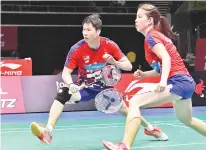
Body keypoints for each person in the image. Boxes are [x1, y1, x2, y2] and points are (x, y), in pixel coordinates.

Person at [102, 3, 206, 150]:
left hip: (178, 81)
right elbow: (161, 68)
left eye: (139, 16)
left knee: (135, 102)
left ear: (150, 21)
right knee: (187, 120)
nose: (136, 20)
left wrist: (162, 82)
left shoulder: (151, 37)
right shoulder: (157, 36)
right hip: (186, 82)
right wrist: (144, 74)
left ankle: (125, 146)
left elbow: (166, 58)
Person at [30, 14, 168, 144]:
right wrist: (71, 84)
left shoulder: (109, 45)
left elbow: (128, 66)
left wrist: (115, 62)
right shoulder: (77, 49)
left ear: (98, 31)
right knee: (63, 93)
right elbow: (66, 72)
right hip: (85, 88)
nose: (85, 33)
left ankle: (151, 129)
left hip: (106, 90)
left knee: (127, 110)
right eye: (84, 29)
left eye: (89, 30)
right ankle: (48, 131)